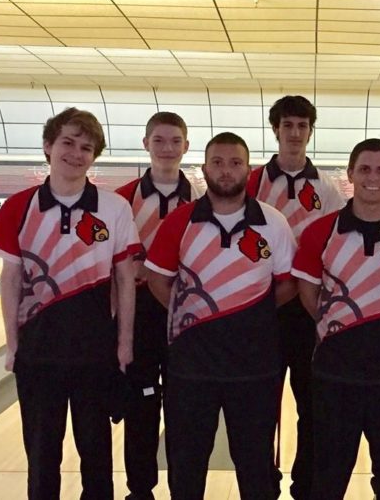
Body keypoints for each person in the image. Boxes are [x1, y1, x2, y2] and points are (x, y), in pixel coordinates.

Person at [0, 107, 138, 500]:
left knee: (97, 455)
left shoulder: (115, 209)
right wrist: (12, 343)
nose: (76, 153)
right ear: (48, 146)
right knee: (41, 457)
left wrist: (124, 344)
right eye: (68, 142)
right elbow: (10, 279)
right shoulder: (18, 207)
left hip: (95, 351)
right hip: (38, 352)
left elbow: (125, 279)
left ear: (94, 156)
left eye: (86, 147)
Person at [144, 132, 297, 499]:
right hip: (190, 368)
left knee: (256, 464)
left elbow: (288, 285)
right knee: (186, 463)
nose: (226, 171)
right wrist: (195, 315)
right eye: (218, 162)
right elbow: (157, 280)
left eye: (235, 163)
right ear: (204, 168)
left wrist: (248, 315)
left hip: (255, 368)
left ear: (248, 168)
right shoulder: (180, 221)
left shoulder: (273, 223)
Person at [292, 138, 380, 500]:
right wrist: (341, 327)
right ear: (351, 175)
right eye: (365, 169)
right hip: (333, 376)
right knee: (327, 478)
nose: (373, 177)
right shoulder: (319, 232)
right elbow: (308, 295)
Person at [247, 95, 344, 500]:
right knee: (261, 406)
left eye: (302, 125)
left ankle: (306, 485)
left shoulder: (328, 188)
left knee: (311, 404)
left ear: (310, 130)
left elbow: (338, 247)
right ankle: (264, 484)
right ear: (276, 130)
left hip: (308, 309)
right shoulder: (251, 182)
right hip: (262, 308)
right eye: (288, 125)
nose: (295, 133)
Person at [115, 112, 200, 500]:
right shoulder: (122, 200)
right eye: (159, 140)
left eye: (175, 141)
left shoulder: (202, 199)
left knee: (184, 412)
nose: (167, 148)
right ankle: (140, 490)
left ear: (186, 145)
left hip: (186, 316)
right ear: (145, 143)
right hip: (140, 315)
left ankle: (182, 489)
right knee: (142, 405)